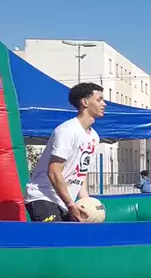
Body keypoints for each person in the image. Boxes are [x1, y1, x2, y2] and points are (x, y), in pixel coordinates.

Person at [24, 83, 105, 222]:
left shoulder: (94, 137)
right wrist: (71, 204)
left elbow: (81, 173)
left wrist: (85, 202)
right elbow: (54, 172)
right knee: (54, 236)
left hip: (65, 201)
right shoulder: (67, 130)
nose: (104, 104)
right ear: (85, 102)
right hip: (44, 197)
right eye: (99, 100)